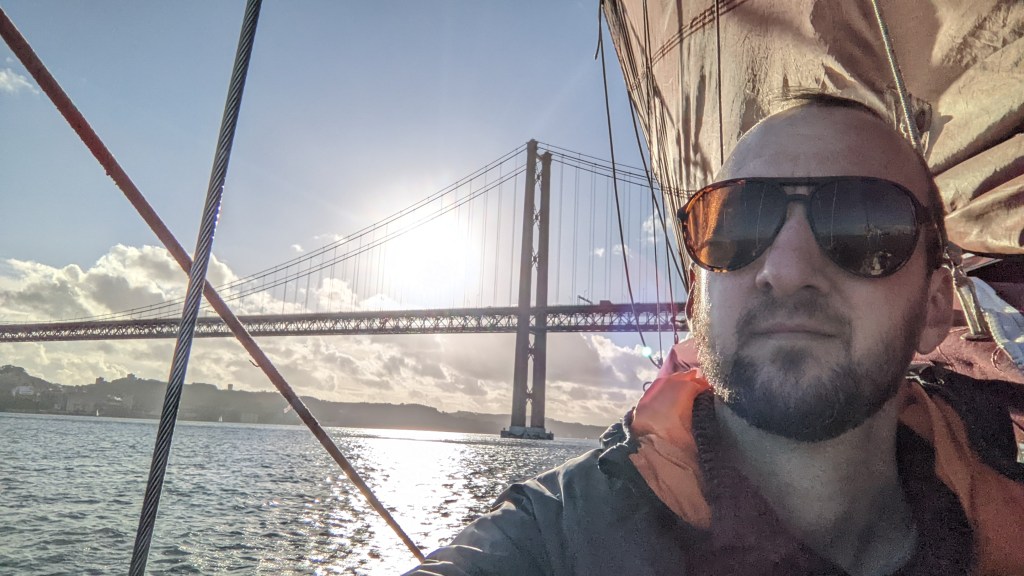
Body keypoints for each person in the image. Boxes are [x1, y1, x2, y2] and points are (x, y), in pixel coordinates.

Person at [403, 95, 1024, 576]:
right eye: (737, 226)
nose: (786, 270)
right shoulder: (552, 538)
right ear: (697, 303)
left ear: (935, 308)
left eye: (865, 226)